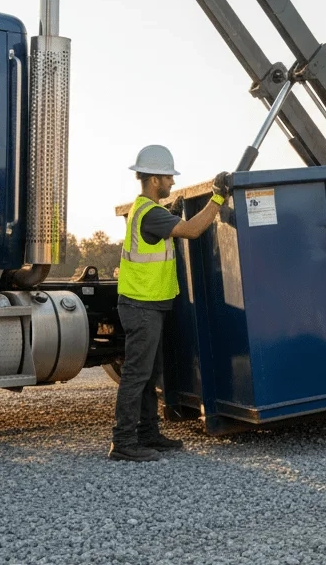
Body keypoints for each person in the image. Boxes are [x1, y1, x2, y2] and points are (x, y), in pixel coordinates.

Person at [112, 144, 231, 461]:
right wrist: (218, 198)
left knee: (149, 376)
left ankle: (148, 434)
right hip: (142, 306)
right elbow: (192, 230)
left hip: (148, 304)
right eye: (168, 177)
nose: (172, 182)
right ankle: (123, 442)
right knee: (137, 375)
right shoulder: (150, 213)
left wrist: (173, 214)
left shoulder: (147, 211)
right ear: (154, 180)